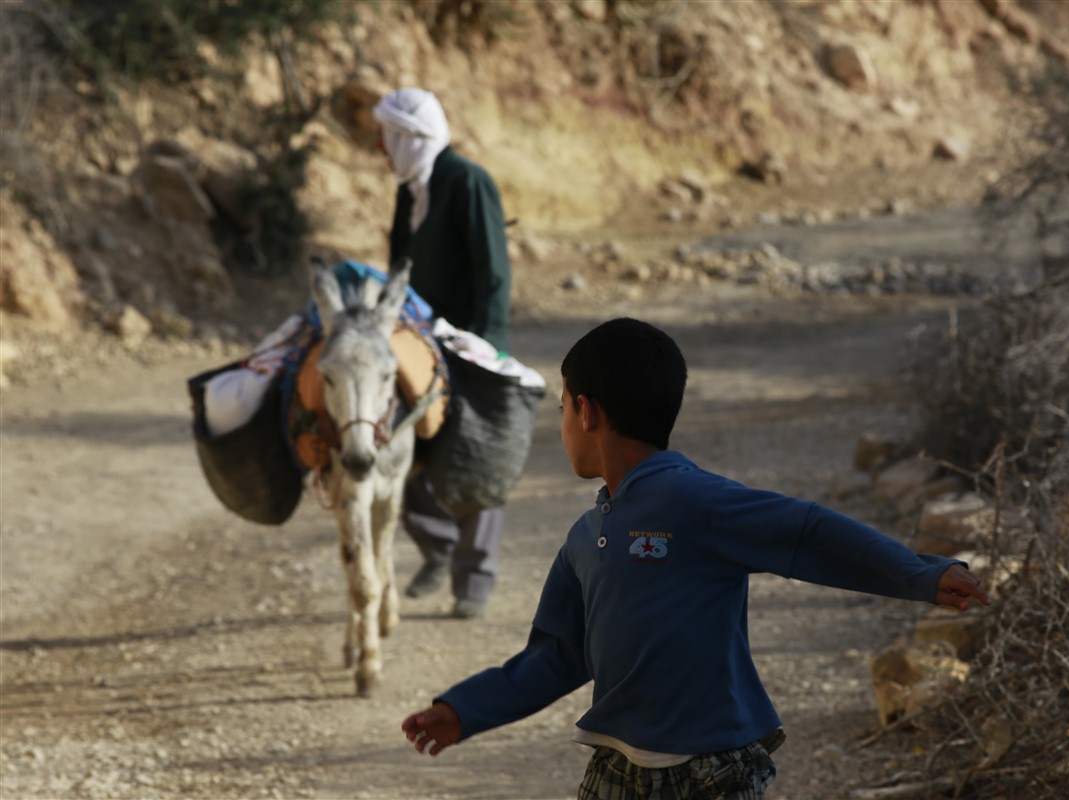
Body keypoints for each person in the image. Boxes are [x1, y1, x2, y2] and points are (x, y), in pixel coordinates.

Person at [399, 317, 992, 798]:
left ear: (586, 411)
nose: (562, 423)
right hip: (616, 770)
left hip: (713, 774)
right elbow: (556, 655)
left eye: (560, 409)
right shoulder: (587, 536)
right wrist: (466, 709)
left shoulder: (698, 502)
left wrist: (921, 575)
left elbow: (810, 534)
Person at [374, 88, 513, 619]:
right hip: (417, 342)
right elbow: (398, 271)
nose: (384, 151)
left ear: (412, 138)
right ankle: (439, 548)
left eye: (389, 139)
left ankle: (474, 579)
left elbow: (493, 273)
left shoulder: (468, 182)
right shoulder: (410, 190)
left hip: (471, 341)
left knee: (477, 457)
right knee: (392, 441)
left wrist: (487, 349)